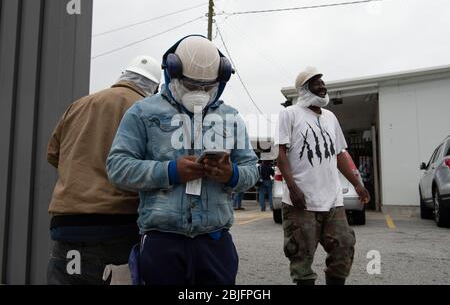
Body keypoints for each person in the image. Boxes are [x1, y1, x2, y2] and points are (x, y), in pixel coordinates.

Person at [106, 35, 259, 285]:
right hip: (162, 243)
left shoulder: (231, 118)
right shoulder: (143, 113)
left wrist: (231, 174)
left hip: (215, 243)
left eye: (207, 86)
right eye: (191, 85)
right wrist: (169, 171)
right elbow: (117, 168)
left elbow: (251, 169)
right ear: (172, 72)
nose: (199, 93)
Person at [46, 55, 161, 285]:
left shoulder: (79, 105)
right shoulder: (146, 111)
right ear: (155, 88)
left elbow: (53, 155)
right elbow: (154, 168)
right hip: (116, 225)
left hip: (66, 225)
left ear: (123, 76)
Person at [276, 66, 370, 285]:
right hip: (301, 201)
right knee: (301, 256)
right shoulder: (289, 114)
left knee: (344, 246)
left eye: (322, 82)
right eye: (316, 82)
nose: (322, 86)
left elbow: (339, 154)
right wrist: (292, 188)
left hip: (332, 201)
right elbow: (279, 153)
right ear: (303, 89)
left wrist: (357, 183)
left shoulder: (330, 117)